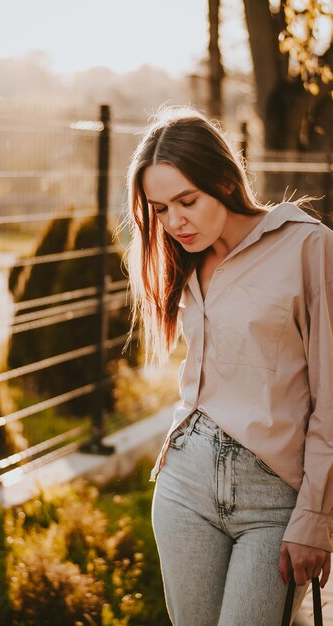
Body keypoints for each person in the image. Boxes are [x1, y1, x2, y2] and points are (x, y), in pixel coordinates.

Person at [122, 105, 333, 626]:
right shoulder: (185, 259)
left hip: (274, 501)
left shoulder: (308, 246)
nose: (174, 222)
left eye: (186, 201)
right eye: (160, 209)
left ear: (222, 178)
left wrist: (315, 517)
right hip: (184, 487)